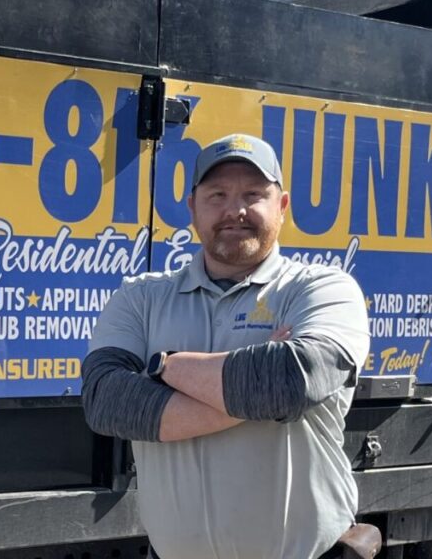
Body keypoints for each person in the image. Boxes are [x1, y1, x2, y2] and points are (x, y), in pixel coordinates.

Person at [82, 133, 370, 559]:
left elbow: (294, 379)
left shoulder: (324, 289)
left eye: (253, 194)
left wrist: (164, 366)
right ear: (192, 207)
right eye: (217, 195)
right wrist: (256, 390)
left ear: (283, 206)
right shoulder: (140, 297)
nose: (235, 210)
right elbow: (106, 401)